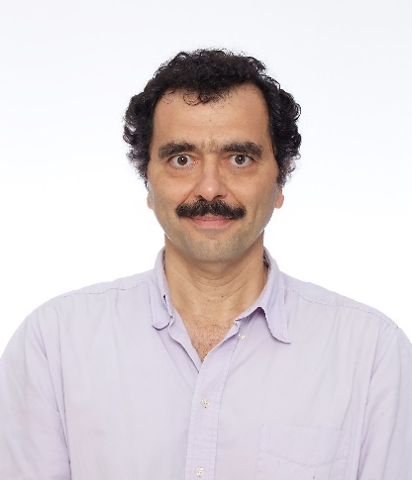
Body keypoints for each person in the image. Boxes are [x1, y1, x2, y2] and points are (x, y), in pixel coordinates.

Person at [1, 49, 411, 480]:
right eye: (182, 159)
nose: (210, 188)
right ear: (147, 181)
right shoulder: (54, 345)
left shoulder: (372, 356)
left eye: (239, 158)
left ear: (280, 180)